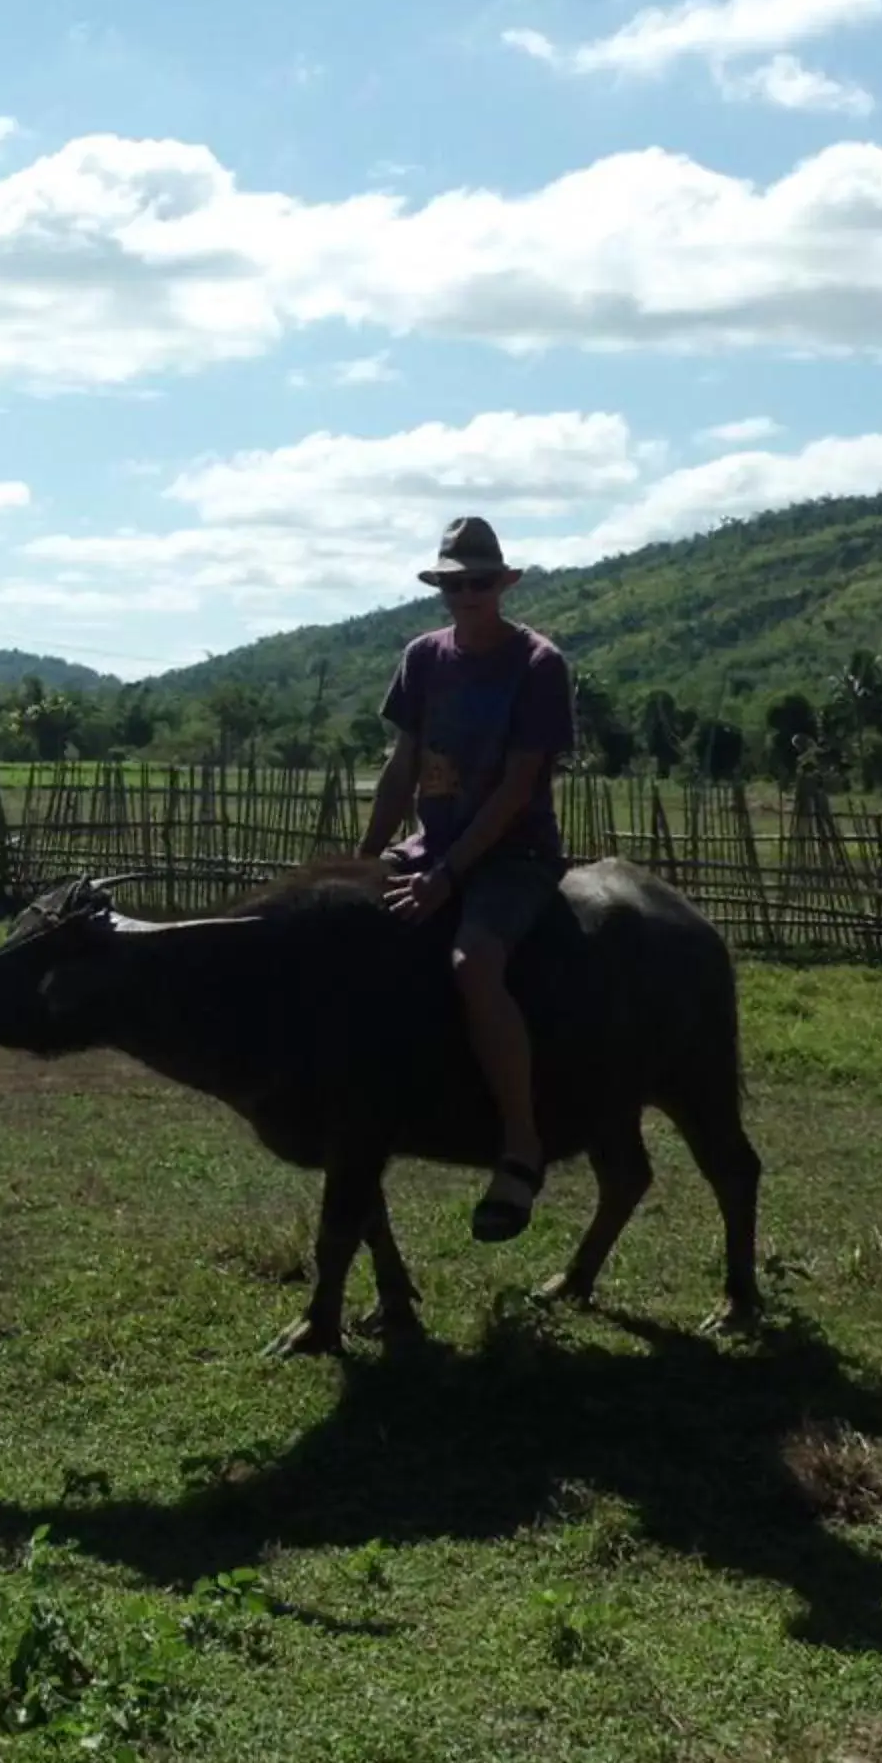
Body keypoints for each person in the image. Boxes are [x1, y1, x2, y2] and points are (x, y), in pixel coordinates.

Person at [357, 517, 578, 1244]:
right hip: (432, 844)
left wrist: (449, 877)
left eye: (480, 582)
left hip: (512, 855)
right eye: (454, 583)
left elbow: (519, 787)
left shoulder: (539, 665)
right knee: (330, 929)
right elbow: (403, 766)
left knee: (473, 964)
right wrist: (363, 861)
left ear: (504, 584)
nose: (467, 595)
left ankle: (520, 1143)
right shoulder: (423, 659)